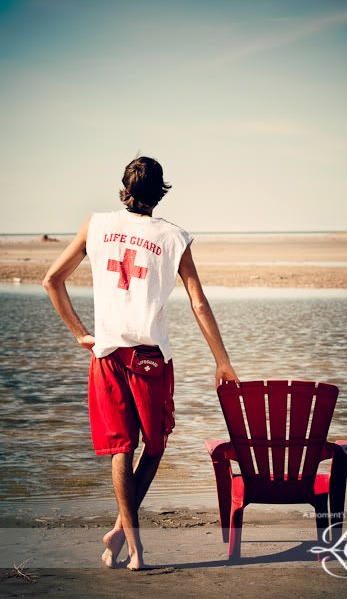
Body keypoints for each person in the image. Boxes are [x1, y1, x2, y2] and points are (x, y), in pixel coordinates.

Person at [42, 155, 239, 571]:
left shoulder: (95, 224)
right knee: (154, 444)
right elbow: (198, 302)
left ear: (124, 188)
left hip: (107, 354)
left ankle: (125, 537)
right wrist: (222, 361)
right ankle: (131, 542)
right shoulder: (173, 237)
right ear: (160, 191)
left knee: (121, 448)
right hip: (150, 358)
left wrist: (80, 333)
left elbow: (51, 280)